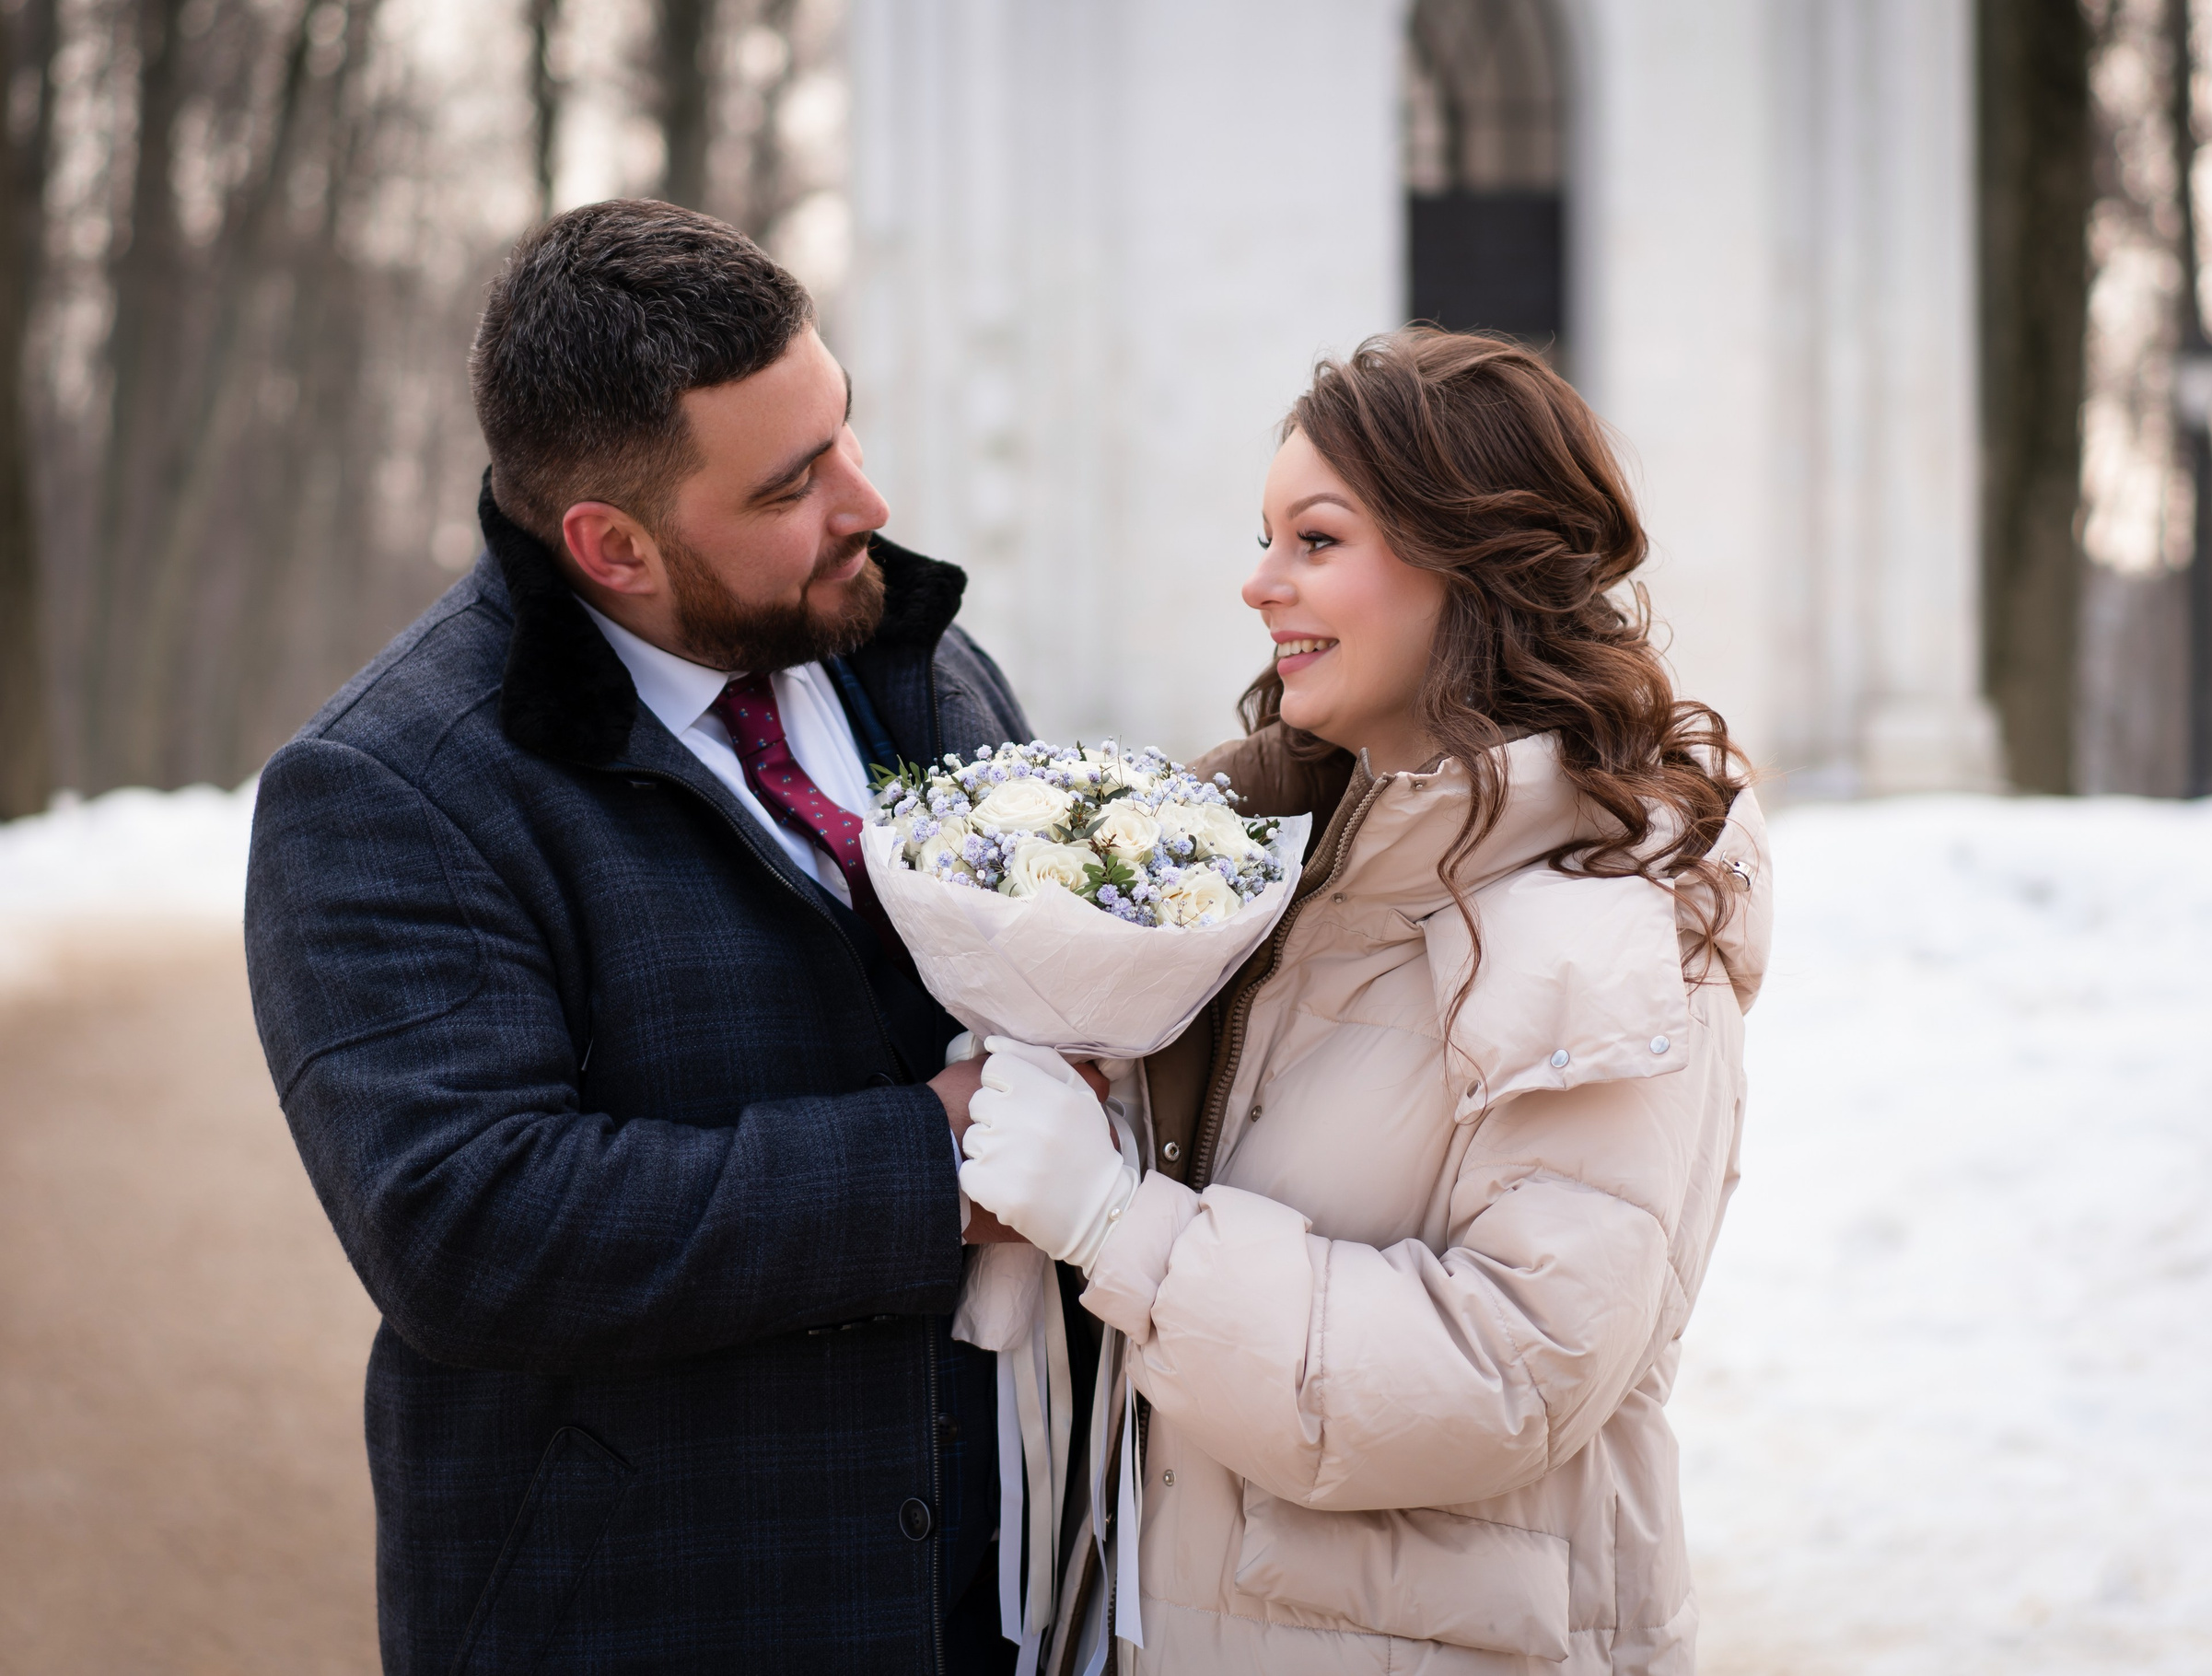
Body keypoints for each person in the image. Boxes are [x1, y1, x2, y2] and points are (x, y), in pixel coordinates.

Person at [244, 199, 1040, 1673]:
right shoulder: (385, 789)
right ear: (612, 544)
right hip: (655, 1606)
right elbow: (470, 1229)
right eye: (794, 481)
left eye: (844, 428)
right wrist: (931, 1163)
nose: (864, 500)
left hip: (990, 1600)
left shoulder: (914, 657)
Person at [956, 329, 1773, 1673]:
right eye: (1265, 536)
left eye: (1316, 541)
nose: (1258, 582)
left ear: (1469, 567)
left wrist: (1118, 1229)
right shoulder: (1278, 868)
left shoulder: (1603, 929)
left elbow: (1507, 1372)